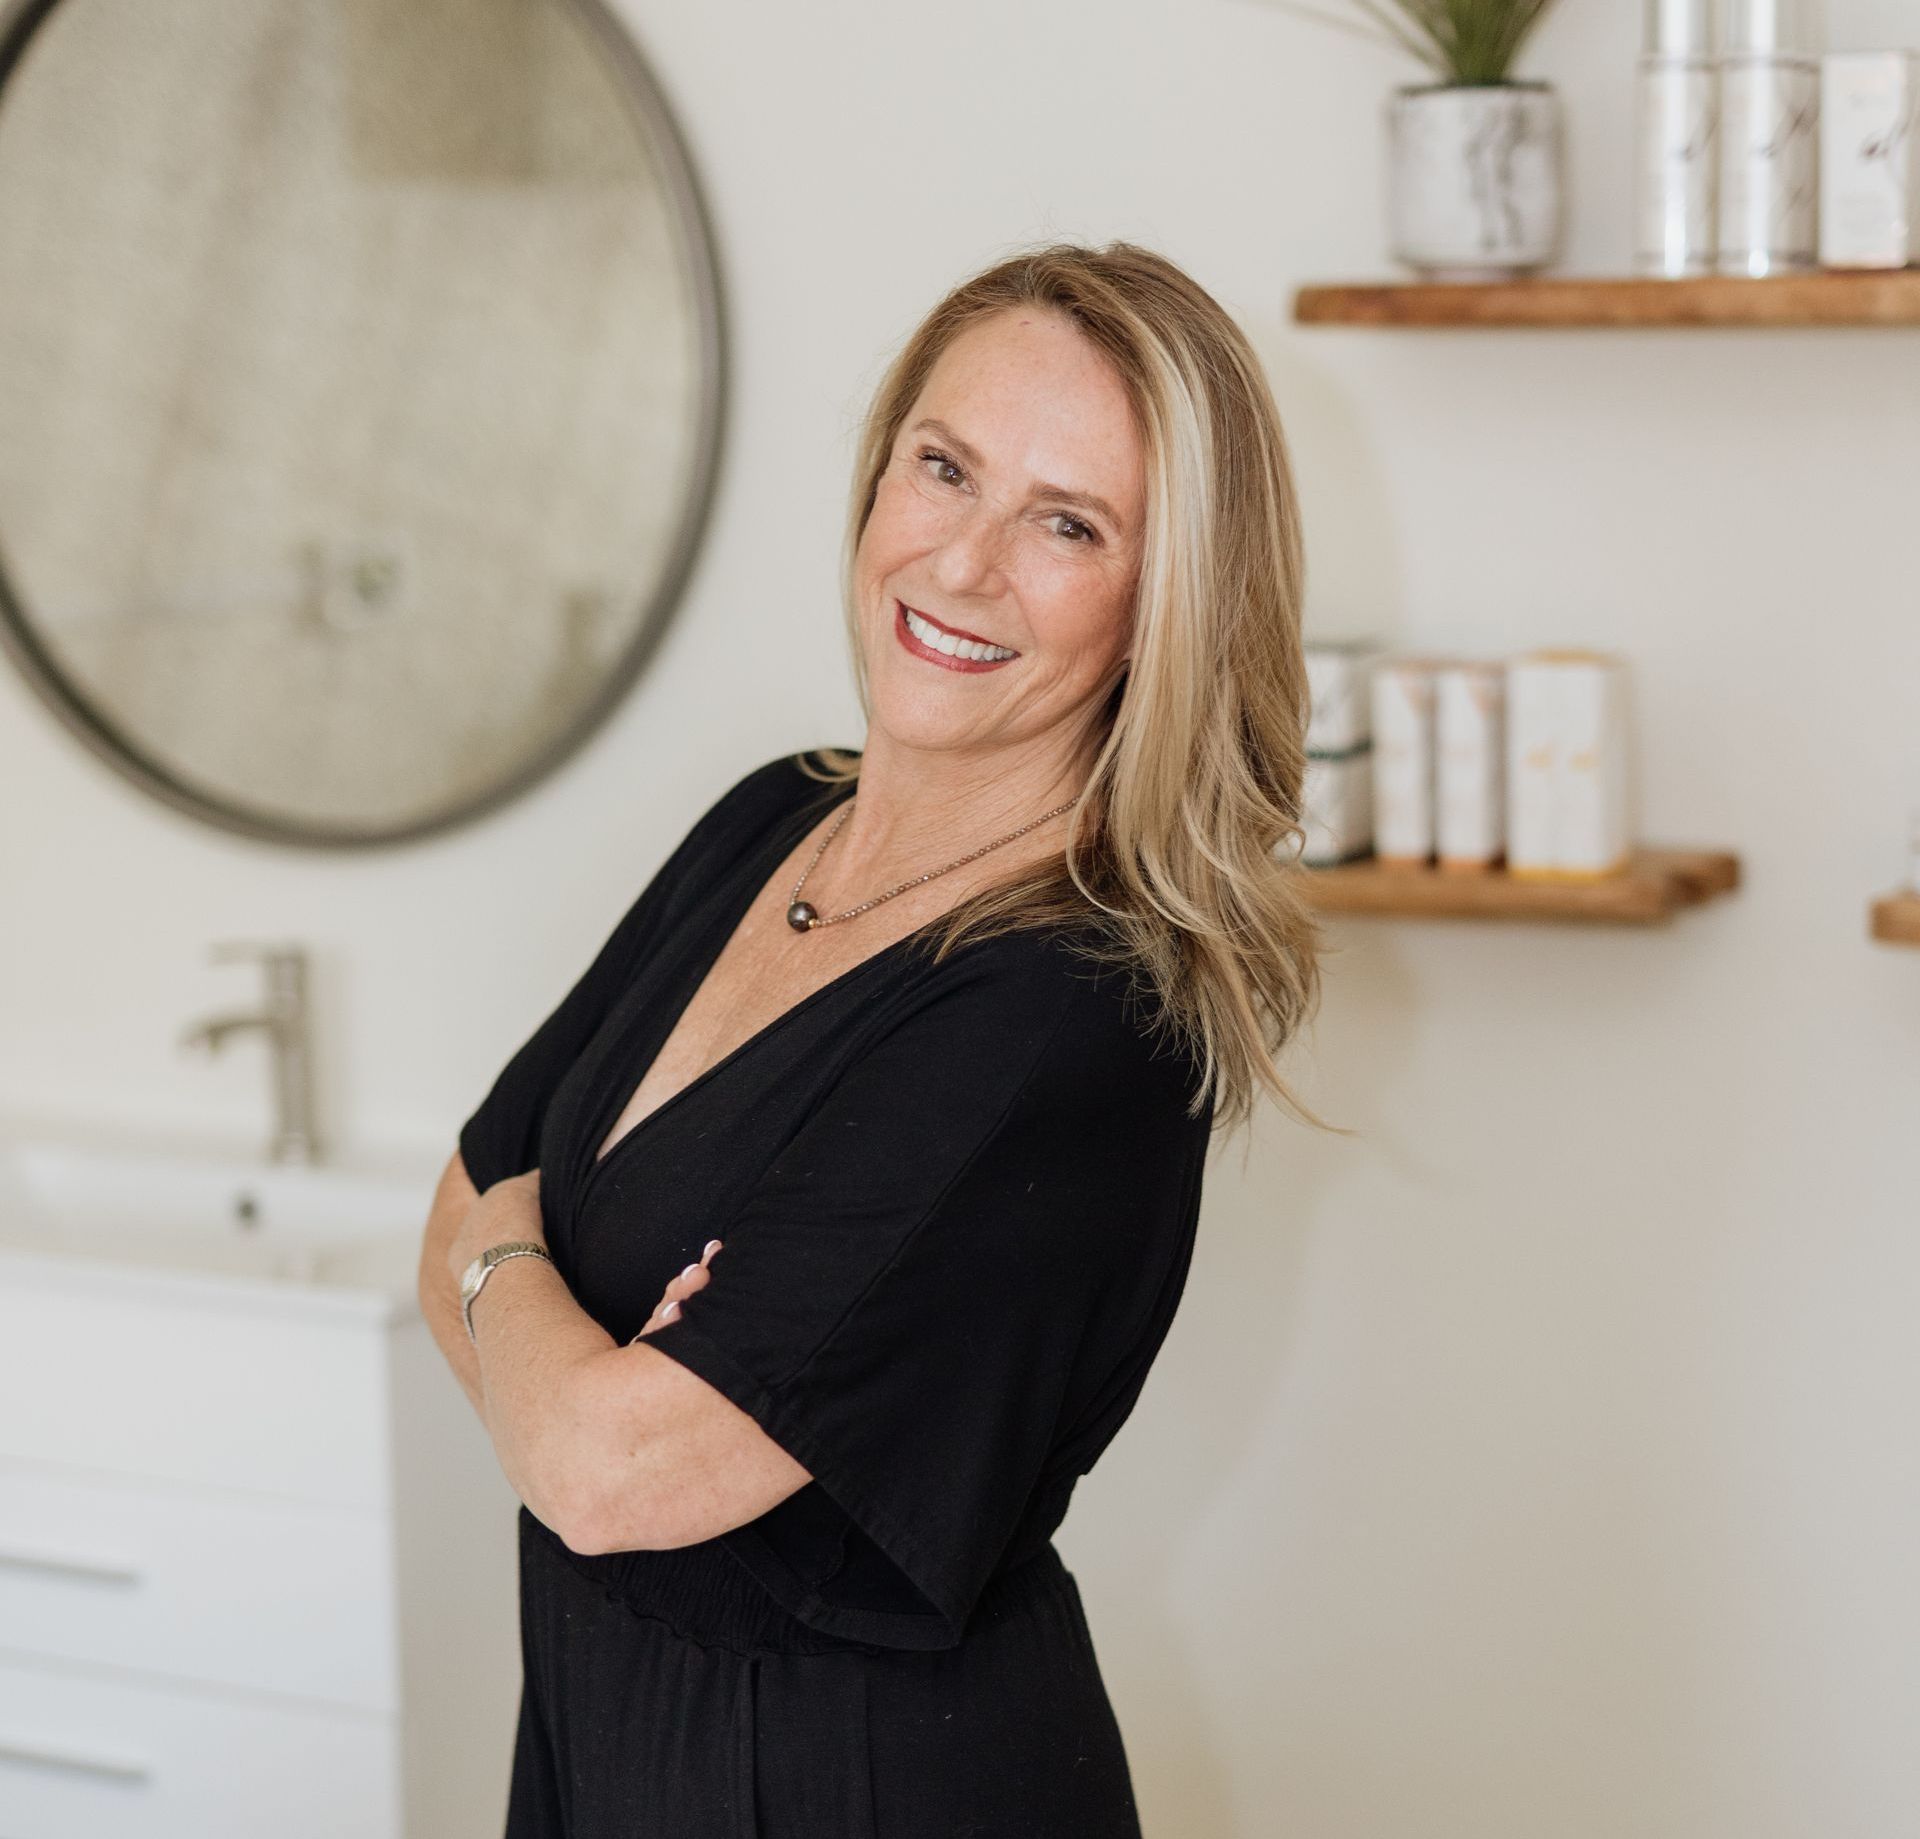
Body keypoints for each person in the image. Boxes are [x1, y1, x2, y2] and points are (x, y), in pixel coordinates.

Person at [418, 239, 1336, 1838]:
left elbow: (604, 1472)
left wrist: (523, 1270)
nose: (965, 563)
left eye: (1068, 524)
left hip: (850, 1788)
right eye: (945, 467)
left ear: (1163, 603)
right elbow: (453, 1219)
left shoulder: (1067, 1011)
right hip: (595, 1737)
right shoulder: (772, 819)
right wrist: (556, 1305)